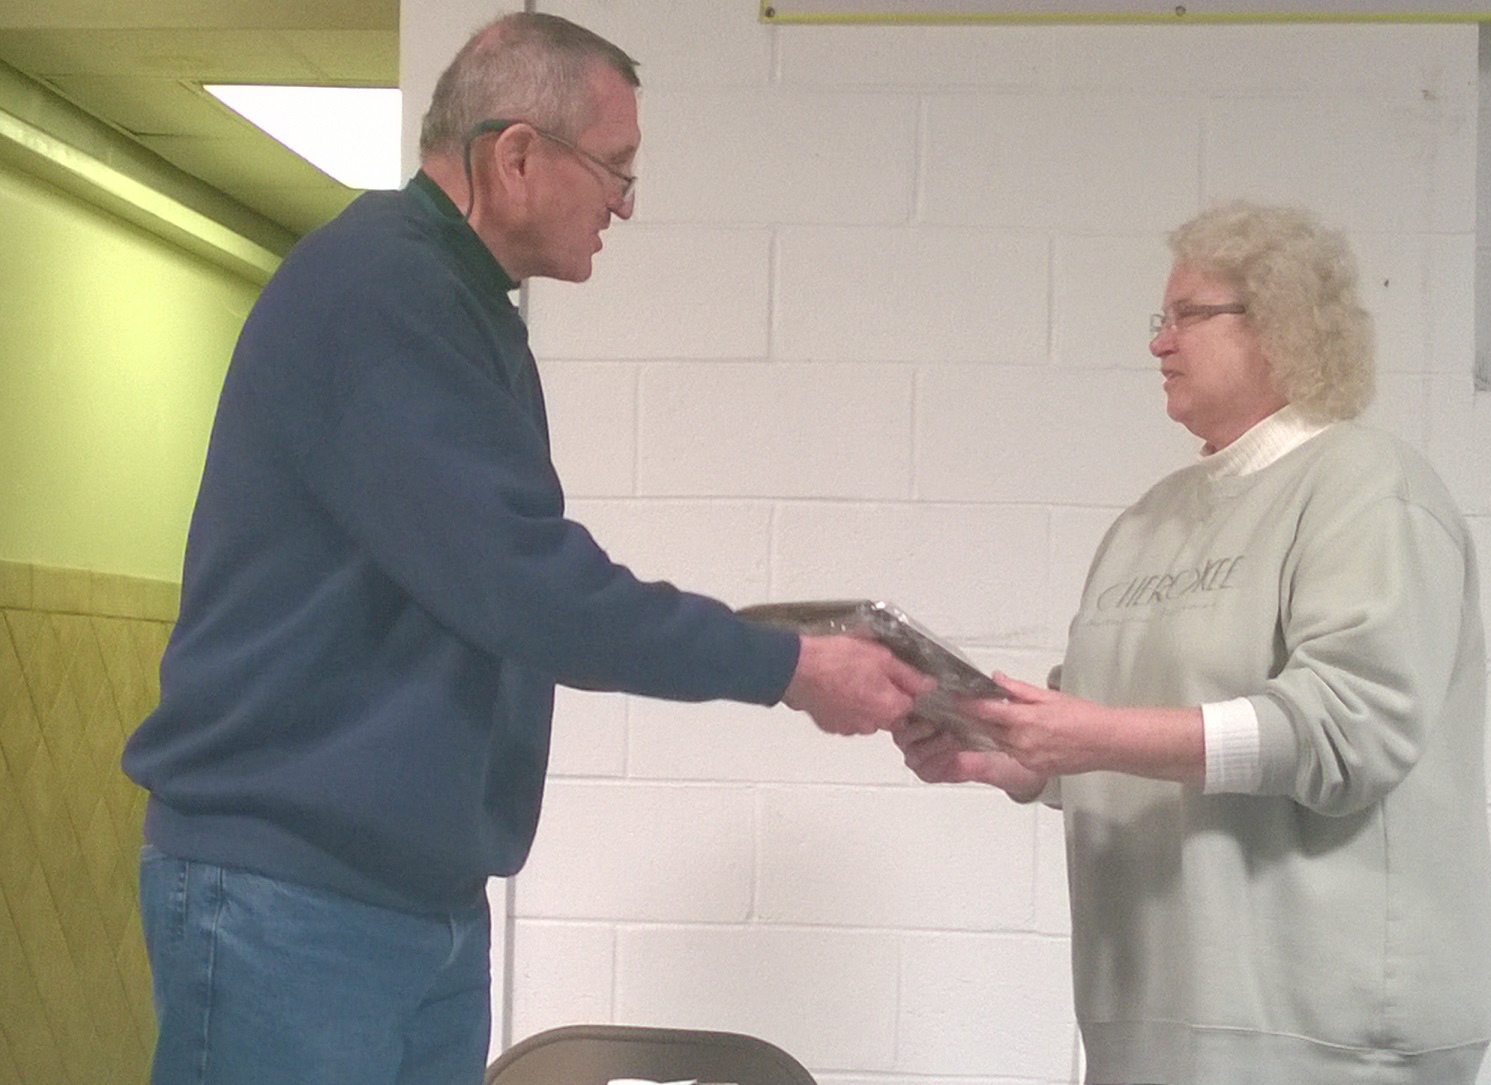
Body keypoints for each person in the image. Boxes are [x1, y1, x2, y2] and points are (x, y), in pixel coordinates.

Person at [121, 14, 932, 1085]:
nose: (623, 204)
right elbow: (524, 584)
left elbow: (507, 580)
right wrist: (787, 666)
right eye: (614, 168)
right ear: (514, 156)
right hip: (293, 901)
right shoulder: (378, 291)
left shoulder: (461, 305)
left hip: (413, 900)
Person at [896, 202, 1491, 1084]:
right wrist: (1010, 753)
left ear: (1281, 324)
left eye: (1187, 315)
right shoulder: (1146, 523)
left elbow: (1349, 731)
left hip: (1323, 1043)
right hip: (1151, 1030)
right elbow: (1120, 737)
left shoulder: (1368, 485)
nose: (1159, 342)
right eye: (1161, 317)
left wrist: (1092, 735)